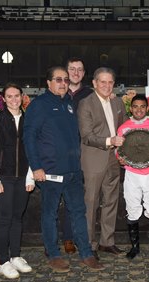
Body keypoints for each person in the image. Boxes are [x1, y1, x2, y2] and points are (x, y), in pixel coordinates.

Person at [23, 66, 103, 272]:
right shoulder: (38, 105)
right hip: (49, 171)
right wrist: (36, 167)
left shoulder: (68, 103)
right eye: (58, 79)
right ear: (48, 83)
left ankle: (86, 252)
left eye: (66, 80)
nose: (63, 83)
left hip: (73, 171)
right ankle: (53, 253)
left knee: (78, 211)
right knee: (50, 214)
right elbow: (29, 138)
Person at [0, 83, 35, 279]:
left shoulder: (29, 120)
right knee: (5, 220)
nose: (14, 99)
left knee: (17, 218)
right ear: (3, 99)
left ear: (22, 97)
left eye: (17, 96)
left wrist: (30, 176)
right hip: (3, 177)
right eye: (9, 96)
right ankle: (3, 261)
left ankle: (15, 256)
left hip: (23, 178)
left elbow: (32, 151)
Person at [77, 67, 128, 256]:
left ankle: (107, 241)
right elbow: (86, 135)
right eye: (103, 82)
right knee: (90, 203)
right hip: (93, 160)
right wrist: (110, 141)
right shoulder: (86, 104)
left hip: (114, 159)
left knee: (111, 201)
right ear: (94, 83)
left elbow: (125, 126)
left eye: (110, 82)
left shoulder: (118, 102)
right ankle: (89, 246)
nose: (107, 86)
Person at [116, 94, 149, 260]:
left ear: (147, 108)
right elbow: (119, 152)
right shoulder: (123, 128)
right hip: (131, 174)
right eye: (135, 106)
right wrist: (120, 159)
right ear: (131, 108)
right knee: (132, 210)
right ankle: (134, 247)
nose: (138, 110)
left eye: (142, 107)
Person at [57, 57, 94, 255]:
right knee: (63, 196)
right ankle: (67, 238)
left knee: (81, 197)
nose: (76, 73)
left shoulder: (90, 94)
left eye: (80, 69)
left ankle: (82, 236)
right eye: (72, 69)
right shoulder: (57, 93)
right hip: (62, 152)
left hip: (85, 151)